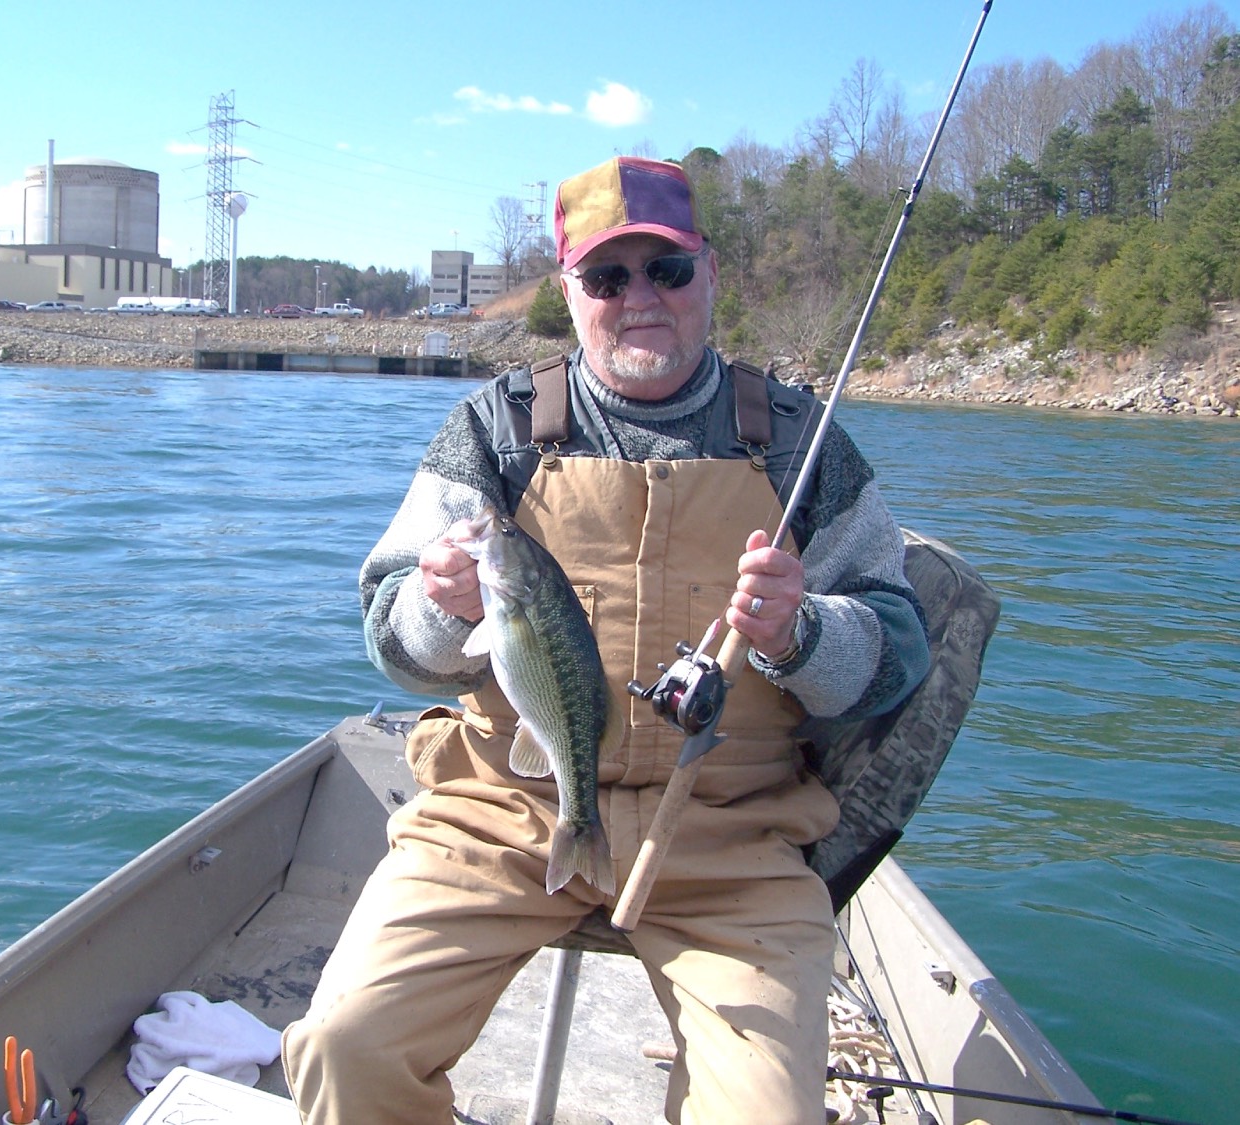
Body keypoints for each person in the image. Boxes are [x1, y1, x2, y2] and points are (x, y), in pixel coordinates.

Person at [281, 156, 931, 1124]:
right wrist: (442, 604)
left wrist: (802, 634)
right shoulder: (493, 432)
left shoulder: (801, 446)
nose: (640, 299)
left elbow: (899, 657)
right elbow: (390, 639)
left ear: (710, 276)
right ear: (571, 293)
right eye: (606, 277)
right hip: (499, 811)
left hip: (732, 835)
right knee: (342, 1048)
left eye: (666, 271)